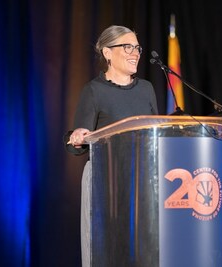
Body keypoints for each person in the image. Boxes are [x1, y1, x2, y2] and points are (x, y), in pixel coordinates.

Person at [64, 25, 159, 267]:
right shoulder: (94, 90)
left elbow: (156, 136)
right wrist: (77, 135)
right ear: (107, 53)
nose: (135, 52)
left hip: (144, 181)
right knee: (104, 253)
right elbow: (78, 144)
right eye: (128, 47)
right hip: (104, 181)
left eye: (137, 47)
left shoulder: (147, 89)